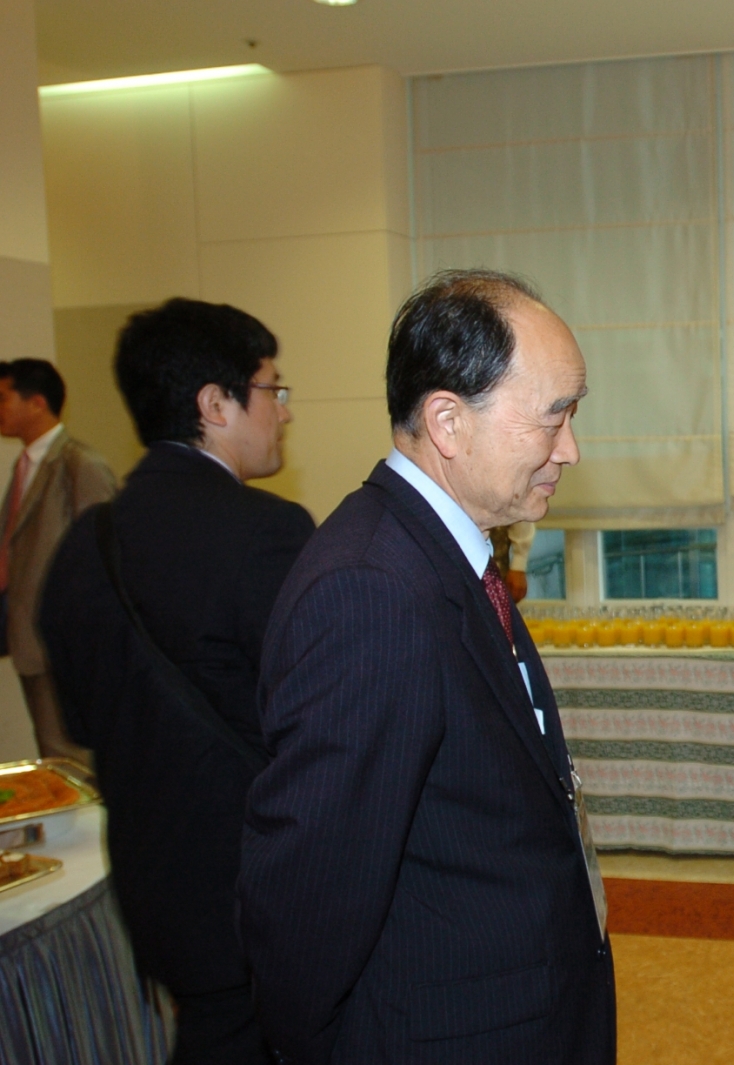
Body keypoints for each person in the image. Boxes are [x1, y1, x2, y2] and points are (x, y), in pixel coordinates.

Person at [238, 270, 614, 1064]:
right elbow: (309, 898)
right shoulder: (371, 591)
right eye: (554, 417)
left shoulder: (447, 555)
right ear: (448, 420)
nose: (571, 449)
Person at [39, 298, 313, 1064]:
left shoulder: (84, 545)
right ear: (214, 404)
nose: (284, 413)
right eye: (272, 389)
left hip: (154, 886)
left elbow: (83, 723)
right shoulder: (269, 531)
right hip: (260, 886)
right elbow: (327, 715)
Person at [0, 358, 117, 764]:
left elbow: (103, 556)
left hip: (65, 638)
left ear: (36, 403)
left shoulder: (79, 463)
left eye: (3, 397)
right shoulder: (24, 464)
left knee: (73, 759)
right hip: (28, 635)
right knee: (52, 753)